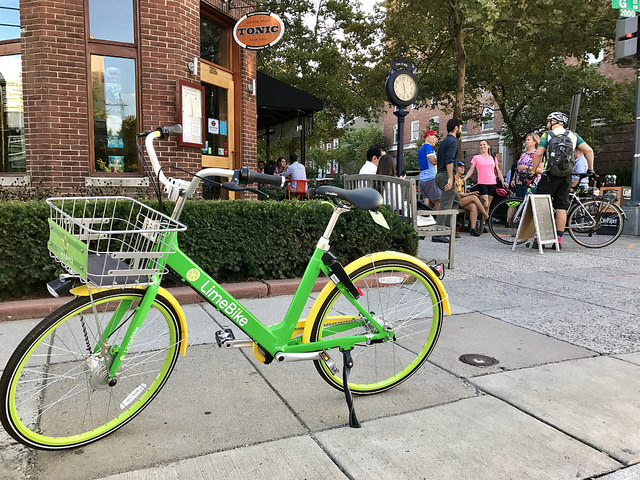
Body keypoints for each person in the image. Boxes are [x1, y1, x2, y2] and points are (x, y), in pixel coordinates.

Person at [531, 111, 594, 248]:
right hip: (566, 176)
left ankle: (539, 239)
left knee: (542, 206)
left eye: (548, 121)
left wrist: (533, 170)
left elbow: (538, 153)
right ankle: (558, 241)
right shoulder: (573, 135)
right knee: (561, 208)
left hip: (549, 175)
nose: (547, 124)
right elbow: (589, 150)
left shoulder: (547, 135)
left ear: (553, 121)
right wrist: (590, 169)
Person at [433, 118, 463, 244]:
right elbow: (449, 161)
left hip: (440, 175)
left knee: (456, 200)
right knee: (445, 204)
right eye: (461, 127)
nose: (461, 130)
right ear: (456, 128)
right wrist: (451, 178)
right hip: (445, 175)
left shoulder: (444, 141)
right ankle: (438, 234)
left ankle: (447, 228)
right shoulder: (453, 141)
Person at [463, 140, 507, 214]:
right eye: (480, 145)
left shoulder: (493, 158)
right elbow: (471, 170)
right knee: (485, 204)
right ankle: (480, 218)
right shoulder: (476, 158)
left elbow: (498, 171)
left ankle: (483, 223)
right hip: (482, 183)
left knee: (488, 205)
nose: (482, 146)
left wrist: (503, 181)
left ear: (488, 146)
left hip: (492, 183)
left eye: (484, 144)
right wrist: (465, 178)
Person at [455, 161, 489, 236]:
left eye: (463, 167)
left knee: (473, 206)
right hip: (455, 200)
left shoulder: (461, 180)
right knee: (474, 197)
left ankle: (472, 229)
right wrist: (470, 194)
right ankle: (486, 216)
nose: (462, 169)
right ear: (456, 168)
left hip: (461, 199)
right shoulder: (453, 178)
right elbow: (458, 194)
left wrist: (467, 195)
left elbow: (462, 193)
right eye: (460, 167)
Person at [513, 133, 543, 198]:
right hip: (519, 182)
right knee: (519, 203)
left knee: (529, 205)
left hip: (531, 184)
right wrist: (513, 179)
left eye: (528, 140)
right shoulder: (523, 154)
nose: (526, 142)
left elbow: (541, 170)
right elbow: (518, 168)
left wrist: (527, 168)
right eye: (526, 140)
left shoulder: (537, 154)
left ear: (534, 142)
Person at [417, 130, 441, 210]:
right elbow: (433, 161)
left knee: (427, 202)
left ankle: (425, 220)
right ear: (428, 136)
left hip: (423, 178)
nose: (436, 139)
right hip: (431, 178)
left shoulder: (421, 148)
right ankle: (440, 222)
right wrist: (443, 157)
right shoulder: (428, 146)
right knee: (438, 201)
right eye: (434, 136)